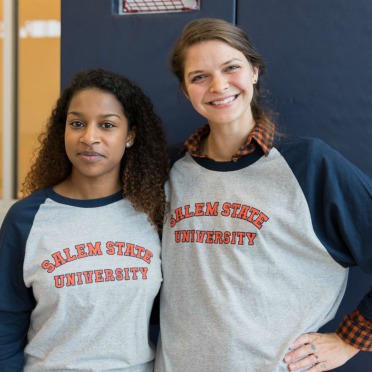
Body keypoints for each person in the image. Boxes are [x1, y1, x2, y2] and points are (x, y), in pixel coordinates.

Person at [154, 18, 372, 372]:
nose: (219, 85)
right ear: (185, 90)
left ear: (254, 71)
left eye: (231, 68)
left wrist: (349, 340)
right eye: (199, 76)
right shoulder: (167, 168)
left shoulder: (310, 165)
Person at [0, 68, 169, 371]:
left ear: (129, 135)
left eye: (107, 125)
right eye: (76, 123)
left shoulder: (154, 211)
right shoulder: (26, 219)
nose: (89, 137)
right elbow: (4, 325)